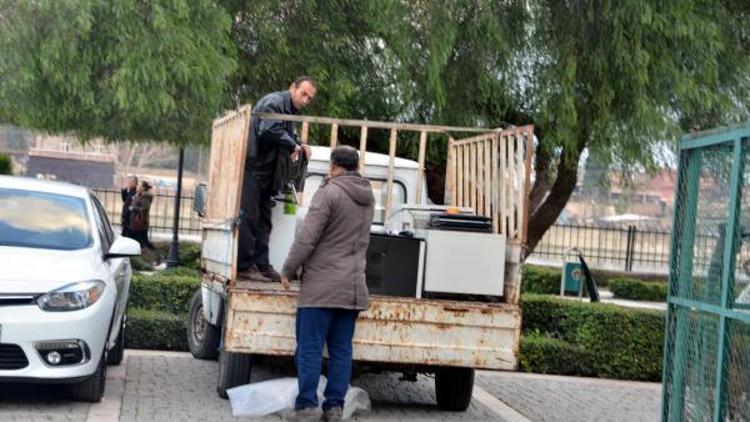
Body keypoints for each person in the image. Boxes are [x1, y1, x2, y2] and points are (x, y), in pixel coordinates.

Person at [280, 146, 375, 422]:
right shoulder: (367, 198)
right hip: (353, 287)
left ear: (333, 166)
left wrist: (288, 268)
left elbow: (308, 237)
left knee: (309, 348)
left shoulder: (328, 193)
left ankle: (307, 406)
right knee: (341, 350)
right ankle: (334, 407)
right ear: (356, 167)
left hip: (321, 287)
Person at [238, 76, 315, 282]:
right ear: (292, 88)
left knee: (264, 221)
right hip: (254, 169)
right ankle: (244, 265)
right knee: (250, 218)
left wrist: (300, 143)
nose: (306, 100)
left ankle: (261, 264)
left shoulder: (288, 109)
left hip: (266, 173)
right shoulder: (275, 102)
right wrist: (293, 145)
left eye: (309, 98)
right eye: (303, 94)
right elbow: (268, 129)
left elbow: (283, 131)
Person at [129, 180, 155, 250]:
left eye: (139, 185)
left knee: (143, 240)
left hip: (141, 221)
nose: (137, 187)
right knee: (140, 239)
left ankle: (154, 253)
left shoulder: (145, 197)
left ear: (143, 188)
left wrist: (133, 208)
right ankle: (149, 252)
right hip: (136, 221)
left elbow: (144, 209)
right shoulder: (139, 195)